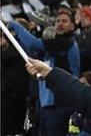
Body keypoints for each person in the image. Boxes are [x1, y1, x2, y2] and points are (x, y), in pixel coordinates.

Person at [8, 7, 80, 136]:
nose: (60, 24)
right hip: (45, 106)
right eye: (57, 21)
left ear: (73, 26)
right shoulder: (51, 49)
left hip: (61, 106)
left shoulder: (67, 42)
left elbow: (33, 43)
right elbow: (30, 54)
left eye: (64, 21)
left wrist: (14, 25)